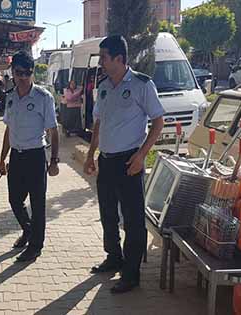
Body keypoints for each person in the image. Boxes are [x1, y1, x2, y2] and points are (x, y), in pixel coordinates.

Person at [84, 35, 165, 294]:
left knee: (132, 219)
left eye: (104, 57)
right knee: (108, 214)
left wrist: (141, 156)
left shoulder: (142, 84)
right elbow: (99, 122)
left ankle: (131, 273)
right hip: (106, 161)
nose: (101, 63)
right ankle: (113, 257)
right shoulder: (104, 85)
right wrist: (90, 154)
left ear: (119, 59)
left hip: (130, 160)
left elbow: (158, 122)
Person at [0, 51, 60, 262]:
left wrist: (54, 161)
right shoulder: (10, 98)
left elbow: (53, 130)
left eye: (27, 72)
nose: (23, 77)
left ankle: (35, 246)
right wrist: (2, 158)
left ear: (32, 72)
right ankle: (28, 230)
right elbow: (8, 130)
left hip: (36, 156)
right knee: (14, 200)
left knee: (38, 203)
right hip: (16, 156)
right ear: (12, 72)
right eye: (19, 72)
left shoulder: (44, 97)